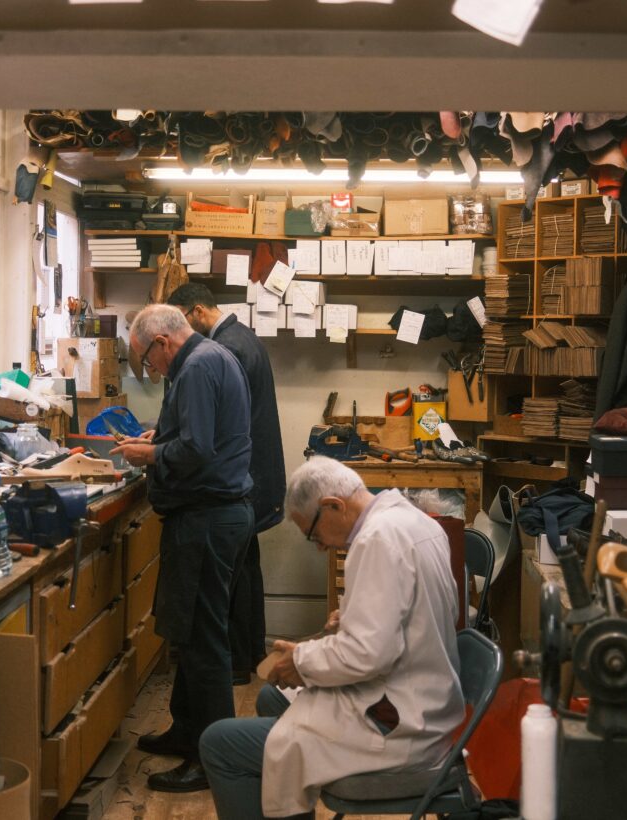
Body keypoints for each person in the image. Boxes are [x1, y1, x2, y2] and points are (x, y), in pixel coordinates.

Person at [198, 456, 465, 819]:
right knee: (271, 697)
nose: (321, 547)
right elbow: (426, 612)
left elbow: (369, 655)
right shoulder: (414, 520)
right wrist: (357, 615)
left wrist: (302, 661)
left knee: (218, 743)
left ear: (333, 506)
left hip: (401, 727)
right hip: (430, 703)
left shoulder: (375, 540)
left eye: (313, 535)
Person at [113, 304, 255, 793]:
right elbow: (202, 435)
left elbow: (197, 451)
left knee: (204, 642)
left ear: (163, 342)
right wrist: (163, 434)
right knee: (192, 635)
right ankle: (186, 732)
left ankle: (211, 759)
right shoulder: (213, 355)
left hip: (208, 519)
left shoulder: (194, 366)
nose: (151, 370)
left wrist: (147, 452)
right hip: (218, 516)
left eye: (148, 361)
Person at [166, 283, 286, 684]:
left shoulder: (223, 350)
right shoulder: (240, 337)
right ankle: (247, 654)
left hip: (240, 480)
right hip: (252, 478)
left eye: (180, 321)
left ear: (197, 311)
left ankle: (236, 662)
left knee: (231, 581)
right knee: (244, 571)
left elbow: (212, 432)